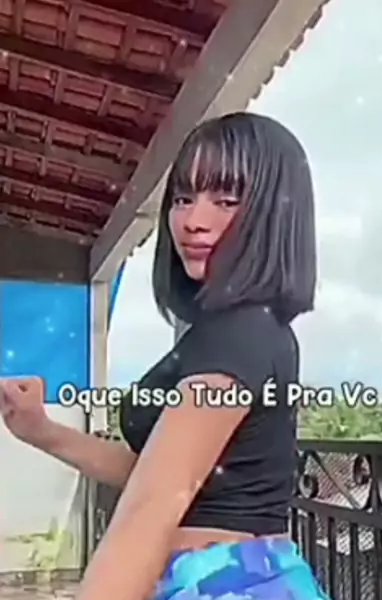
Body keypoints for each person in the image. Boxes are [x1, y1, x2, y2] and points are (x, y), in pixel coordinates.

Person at [0, 112, 329, 600]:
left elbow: (151, 506)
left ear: (274, 215)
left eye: (226, 200)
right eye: (182, 198)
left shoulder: (239, 334)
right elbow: (150, 474)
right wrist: (40, 430)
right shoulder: (241, 331)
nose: (193, 221)